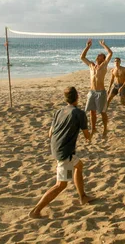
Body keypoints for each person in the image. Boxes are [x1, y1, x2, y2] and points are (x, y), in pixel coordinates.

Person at [29, 87, 93, 219]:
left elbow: (50, 133)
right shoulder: (79, 113)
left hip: (56, 147)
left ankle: (83, 197)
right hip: (65, 152)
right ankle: (36, 210)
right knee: (61, 184)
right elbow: (87, 135)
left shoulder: (59, 111)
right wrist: (91, 135)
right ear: (77, 97)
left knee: (79, 166)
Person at [80, 39, 113, 139]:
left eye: (101, 56)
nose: (99, 56)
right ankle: (93, 129)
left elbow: (110, 53)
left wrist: (103, 45)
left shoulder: (103, 66)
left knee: (102, 112)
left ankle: (105, 129)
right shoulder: (91, 65)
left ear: (103, 59)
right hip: (92, 92)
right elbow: (82, 57)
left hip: (101, 92)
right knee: (92, 111)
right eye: (98, 55)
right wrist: (87, 46)